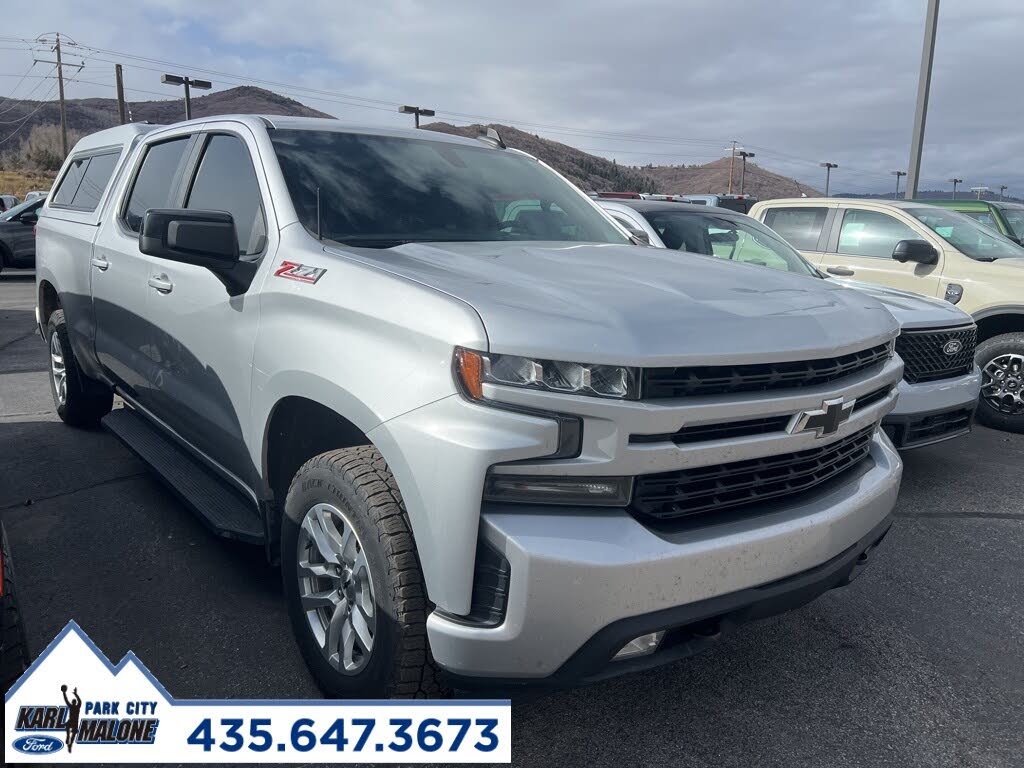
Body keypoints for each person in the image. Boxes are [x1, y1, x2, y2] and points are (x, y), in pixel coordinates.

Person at [61, 684, 82, 753]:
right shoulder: (75, 706)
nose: (73, 702)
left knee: (72, 733)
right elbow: (66, 700)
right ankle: (68, 738)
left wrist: (75, 694)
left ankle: (70, 744)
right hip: (72, 722)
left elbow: (79, 701)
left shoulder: (75, 706)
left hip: (74, 722)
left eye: (73, 701)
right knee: (68, 728)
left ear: (74, 702)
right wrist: (64, 693)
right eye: (73, 701)